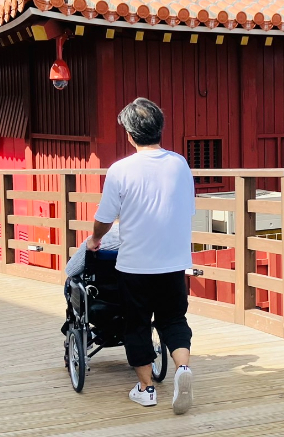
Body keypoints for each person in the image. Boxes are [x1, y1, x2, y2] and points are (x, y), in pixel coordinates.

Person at [89, 97, 195, 414]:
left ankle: (147, 389)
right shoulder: (180, 164)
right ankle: (183, 370)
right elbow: (188, 209)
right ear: (159, 128)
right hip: (174, 262)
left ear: (130, 134)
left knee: (136, 325)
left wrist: (96, 239)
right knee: (174, 319)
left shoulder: (120, 170)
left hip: (136, 265)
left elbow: (105, 218)